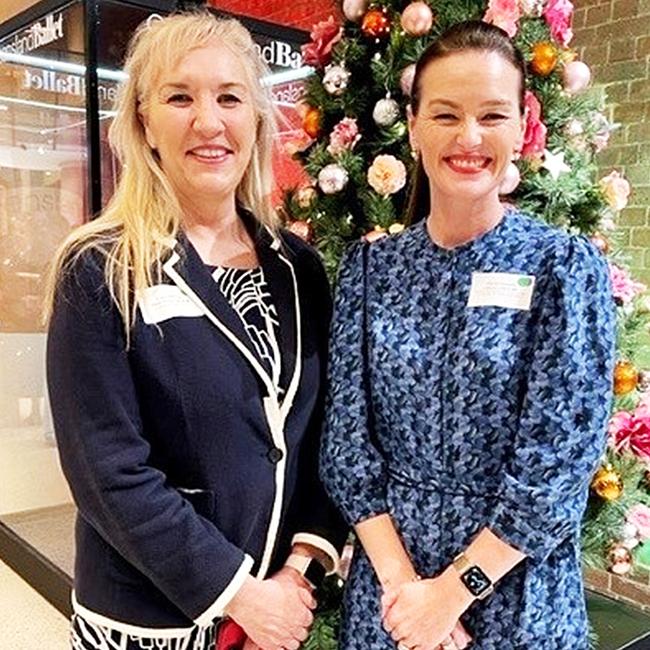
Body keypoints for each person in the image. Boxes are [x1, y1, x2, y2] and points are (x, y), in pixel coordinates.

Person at [46, 12, 345, 650]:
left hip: (279, 609)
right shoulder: (99, 267)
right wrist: (241, 594)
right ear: (144, 123)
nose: (208, 122)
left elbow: (322, 433)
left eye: (229, 97)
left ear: (257, 120)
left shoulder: (300, 268)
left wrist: (293, 573)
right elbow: (108, 472)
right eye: (179, 97)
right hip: (151, 620)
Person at [320, 20, 616, 650]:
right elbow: (346, 449)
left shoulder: (561, 267)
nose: (469, 137)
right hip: (392, 596)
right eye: (446, 114)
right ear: (415, 122)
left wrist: (451, 594)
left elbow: (558, 467)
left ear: (521, 124)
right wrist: (407, 595)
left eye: (492, 115)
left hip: (518, 590)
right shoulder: (370, 271)